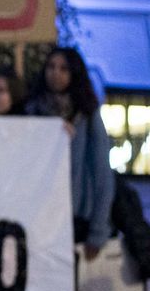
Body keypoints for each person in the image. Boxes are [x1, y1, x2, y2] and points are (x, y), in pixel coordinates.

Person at [26, 46, 114, 261]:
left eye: (64, 69)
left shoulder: (86, 115)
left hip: (74, 217)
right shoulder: (31, 111)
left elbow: (102, 173)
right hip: (35, 214)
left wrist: (98, 232)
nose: (55, 73)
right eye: (51, 67)